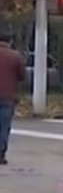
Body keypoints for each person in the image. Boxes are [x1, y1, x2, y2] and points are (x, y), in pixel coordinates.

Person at [0, 30, 25, 165]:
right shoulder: (15, 56)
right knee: (4, 126)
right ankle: (1, 154)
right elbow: (22, 76)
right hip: (7, 96)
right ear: (10, 42)